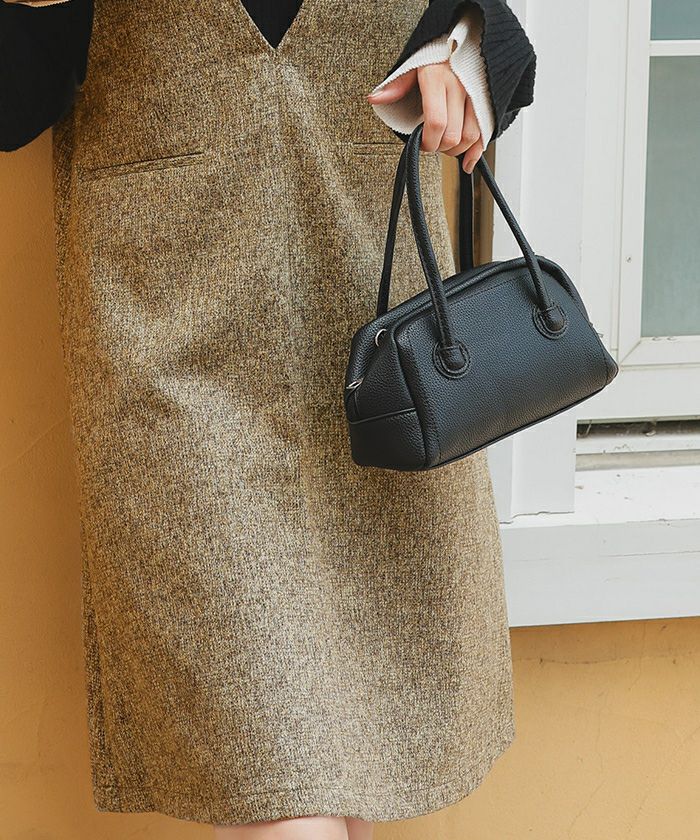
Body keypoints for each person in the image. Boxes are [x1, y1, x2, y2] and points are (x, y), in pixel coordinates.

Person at [0, 2, 536, 838]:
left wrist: (457, 56)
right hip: (181, 401)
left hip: (383, 381)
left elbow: (505, 45)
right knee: (282, 796)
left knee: (349, 796)